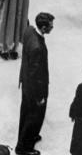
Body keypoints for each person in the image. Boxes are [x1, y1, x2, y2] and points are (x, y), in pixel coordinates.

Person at [15, 12, 54, 155]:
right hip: (34, 88)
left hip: (25, 82)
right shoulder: (38, 48)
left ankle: (27, 136)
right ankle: (24, 148)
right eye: (50, 26)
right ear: (43, 28)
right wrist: (40, 96)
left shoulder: (29, 30)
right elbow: (36, 75)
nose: (52, 27)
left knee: (25, 112)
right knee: (35, 116)